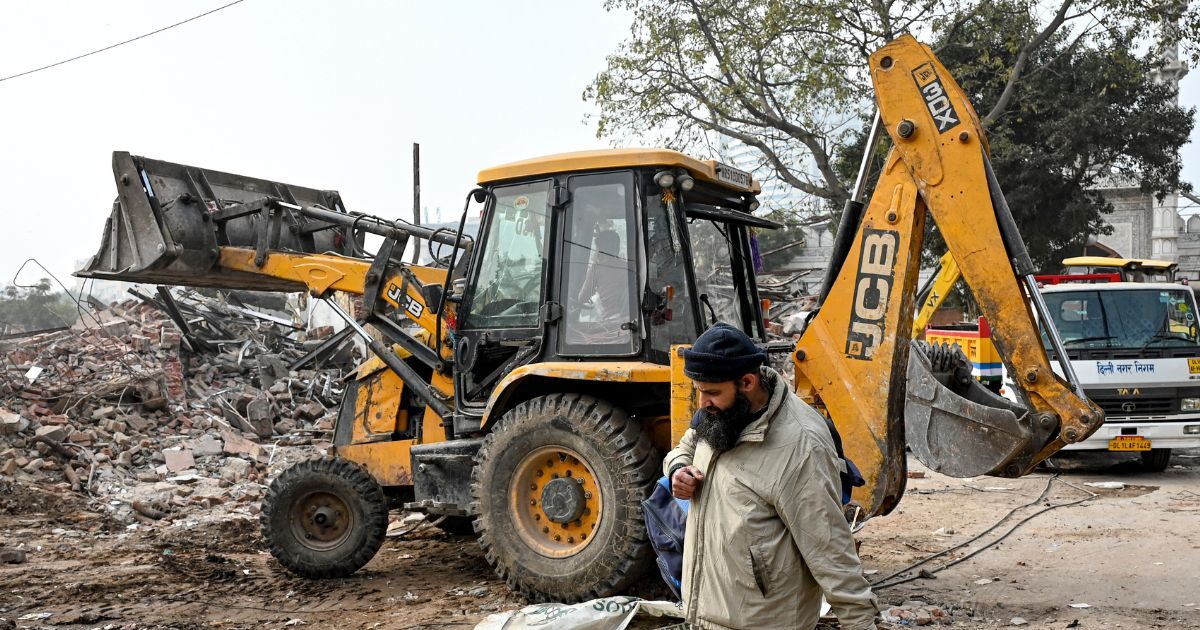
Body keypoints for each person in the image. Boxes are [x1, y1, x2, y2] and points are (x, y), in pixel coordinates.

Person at [663, 322, 879, 630]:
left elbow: (829, 548)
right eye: (699, 392)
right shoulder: (721, 413)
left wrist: (860, 622)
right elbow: (687, 445)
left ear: (747, 382)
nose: (702, 404)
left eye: (711, 393)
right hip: (709, 616)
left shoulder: (800, 446)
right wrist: (678, 469)